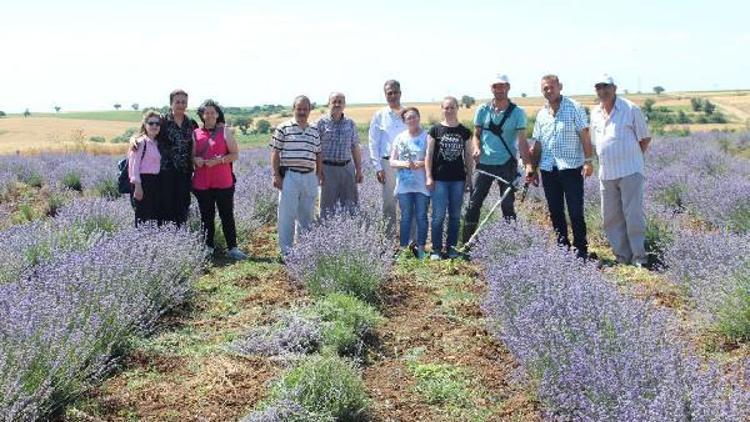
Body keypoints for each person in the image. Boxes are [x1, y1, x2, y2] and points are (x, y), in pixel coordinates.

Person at [590, 74, 652, 267]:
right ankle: (622, 257)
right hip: (607, 173)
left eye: (606, 86)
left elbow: (645, 139)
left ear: (614, 88)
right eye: (599, 87)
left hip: (630, 171)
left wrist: (631, 157)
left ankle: (639, 258)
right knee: (610, 218)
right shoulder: (595, 113)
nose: (602, 91)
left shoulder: (631, 109)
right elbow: (594, 142)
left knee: (633, 215)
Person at [530, 74, 594, 259]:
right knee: (555, 211)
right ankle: (562, 249)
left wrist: (588, 161)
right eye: (545, 89)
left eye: (551, 87)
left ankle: (581, 250)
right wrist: (533, 170)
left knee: (575, 211)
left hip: (571, 168)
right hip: (548, 169)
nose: (548, 91)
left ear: (560, 87)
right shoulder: (542, 114)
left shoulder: (574, 107)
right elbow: (538, 144)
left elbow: (584, 136)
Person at [462, 74, 531, 243]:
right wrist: (476, 148)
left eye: (502, 86)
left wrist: (528, 165)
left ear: (508, 87)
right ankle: (467, 243)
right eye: (495, 86)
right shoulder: (482, 110)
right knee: (474, 203)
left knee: (507, 205)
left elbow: (522, 142)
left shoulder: (517, 113)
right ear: (491, 89)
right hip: (484, 164)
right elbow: (476, 135)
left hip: (507, 164)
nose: (499, 90)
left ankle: (512, 244)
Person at [131, 89, 199, 225]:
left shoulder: (191, 123)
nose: (180, 105)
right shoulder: (163, 121)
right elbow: (147, 130)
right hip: (165, 172)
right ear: (171, 104)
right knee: (166, 205)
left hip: (185, 171)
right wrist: (133, 138)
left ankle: (181, 234)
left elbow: (198, 141)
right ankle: (167, 235)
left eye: (183, 102)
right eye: (177, 102)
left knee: (183, 204)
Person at [192, 99, 246, 260]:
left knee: (226, 215)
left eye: (212, 112)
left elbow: (235, 154)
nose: (209, 115)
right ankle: (208, 247)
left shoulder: (225, 131)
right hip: (202, 182)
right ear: (201, 115)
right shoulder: (195, 133)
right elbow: (191, 156)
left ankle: (232, 248)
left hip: (223, 182)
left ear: (217, 114)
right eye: (206, 112)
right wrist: (196, 160)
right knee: (206, 217)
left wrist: (219, 160)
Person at [270, 95, 323, 257]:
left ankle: (304, 249)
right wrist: (276, 175)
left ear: (309, 111)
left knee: (307, 214)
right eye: (299, 109)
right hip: (290, 176)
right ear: (293, 109)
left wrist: (318, 174)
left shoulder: (314, 130)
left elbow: (318, 153)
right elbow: (275, 152)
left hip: (309, 176)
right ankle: (286, 250)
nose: (302, 112)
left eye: (305, 109)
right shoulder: (283, 128)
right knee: (287, 214)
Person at [425, 97, 472, 260]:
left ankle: (451, 248)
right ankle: (436, 249)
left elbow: (468, 156)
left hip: (458, 180)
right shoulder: (435, 130)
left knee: (455, 215)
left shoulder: (465, 131)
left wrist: (469, 179)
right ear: (442, 109)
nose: (449, 110)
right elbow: (429, 155)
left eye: (452, 107)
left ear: (457, 108)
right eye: (446, 108)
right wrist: (429, 176)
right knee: (438, 215)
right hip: (439, 179)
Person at [390, 107, 430, 259]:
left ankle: (421, 248)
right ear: (404, 121)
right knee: (406, 217)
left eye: (414, 117)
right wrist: (406, 164)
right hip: (404, 186)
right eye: (408, 118)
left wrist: (420, 164)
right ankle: (403, 249)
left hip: (422, 184)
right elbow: (392, 161)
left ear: (419, 118)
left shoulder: (427, 136)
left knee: (421, 216)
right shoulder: (400, 138)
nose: (412, 120)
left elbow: (430, 158)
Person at [315, 92, 363, 218]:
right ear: (328, 104)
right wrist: (318, 171)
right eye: (334, 101)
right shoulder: (320, 123)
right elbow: (315, 150)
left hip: (347, 168)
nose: (337, 104)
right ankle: (325, 234)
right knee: (326, 207)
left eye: (340, 101)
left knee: (351, 205)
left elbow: (355, 147)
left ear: (344, 104)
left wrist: (359, 170)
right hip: (327, 169)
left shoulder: (350, 124)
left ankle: (351, 233)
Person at [368, 80, 406, 236]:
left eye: (395, 92)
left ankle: (410, 243)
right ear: (385, 95)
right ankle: (389, 243)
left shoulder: (408, 114)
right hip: (387, 164)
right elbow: (373, 142)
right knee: (389, 205)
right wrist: (378, 167)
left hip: (406, 165)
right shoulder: (379, 116)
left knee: (407, 203)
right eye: (389, 93)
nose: (393, 95)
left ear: (400, 93)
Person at [128, 110, 163, 226]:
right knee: (142, 216)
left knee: (154, 216)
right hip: (142, 182)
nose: (154, 126)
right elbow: (133, 166)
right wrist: (138, 186)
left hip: (156, 182)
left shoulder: (157, 143)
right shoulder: (140, 142)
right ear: (145, 124)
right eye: (151, 123)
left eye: (157, 124)